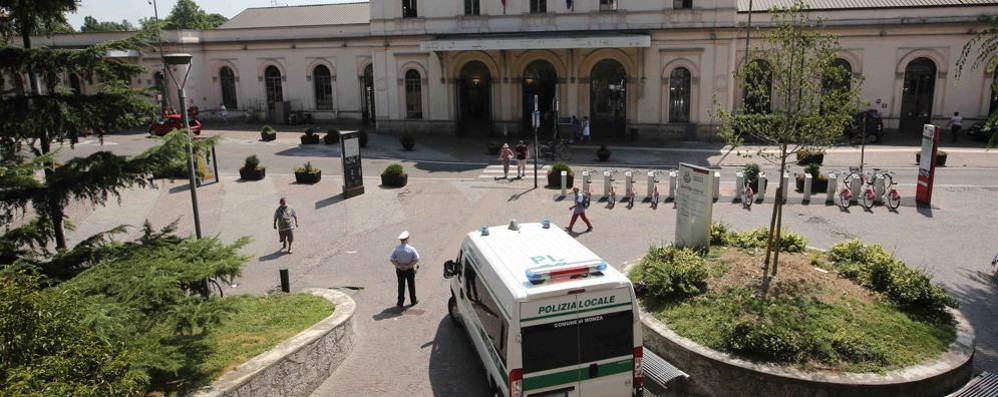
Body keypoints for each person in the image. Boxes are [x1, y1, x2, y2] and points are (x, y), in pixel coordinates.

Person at [389, 231, 420, 307]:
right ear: (407, 239)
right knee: (411, 285)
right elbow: (417, 258)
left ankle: (400, 302)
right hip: (409, 269)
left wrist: (398, 266)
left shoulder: (396, 249)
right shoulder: (411, 249)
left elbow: (391, 259)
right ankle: (413, 300)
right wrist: (409, 266)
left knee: (401, 285)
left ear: (400, 240)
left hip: (400, 270)